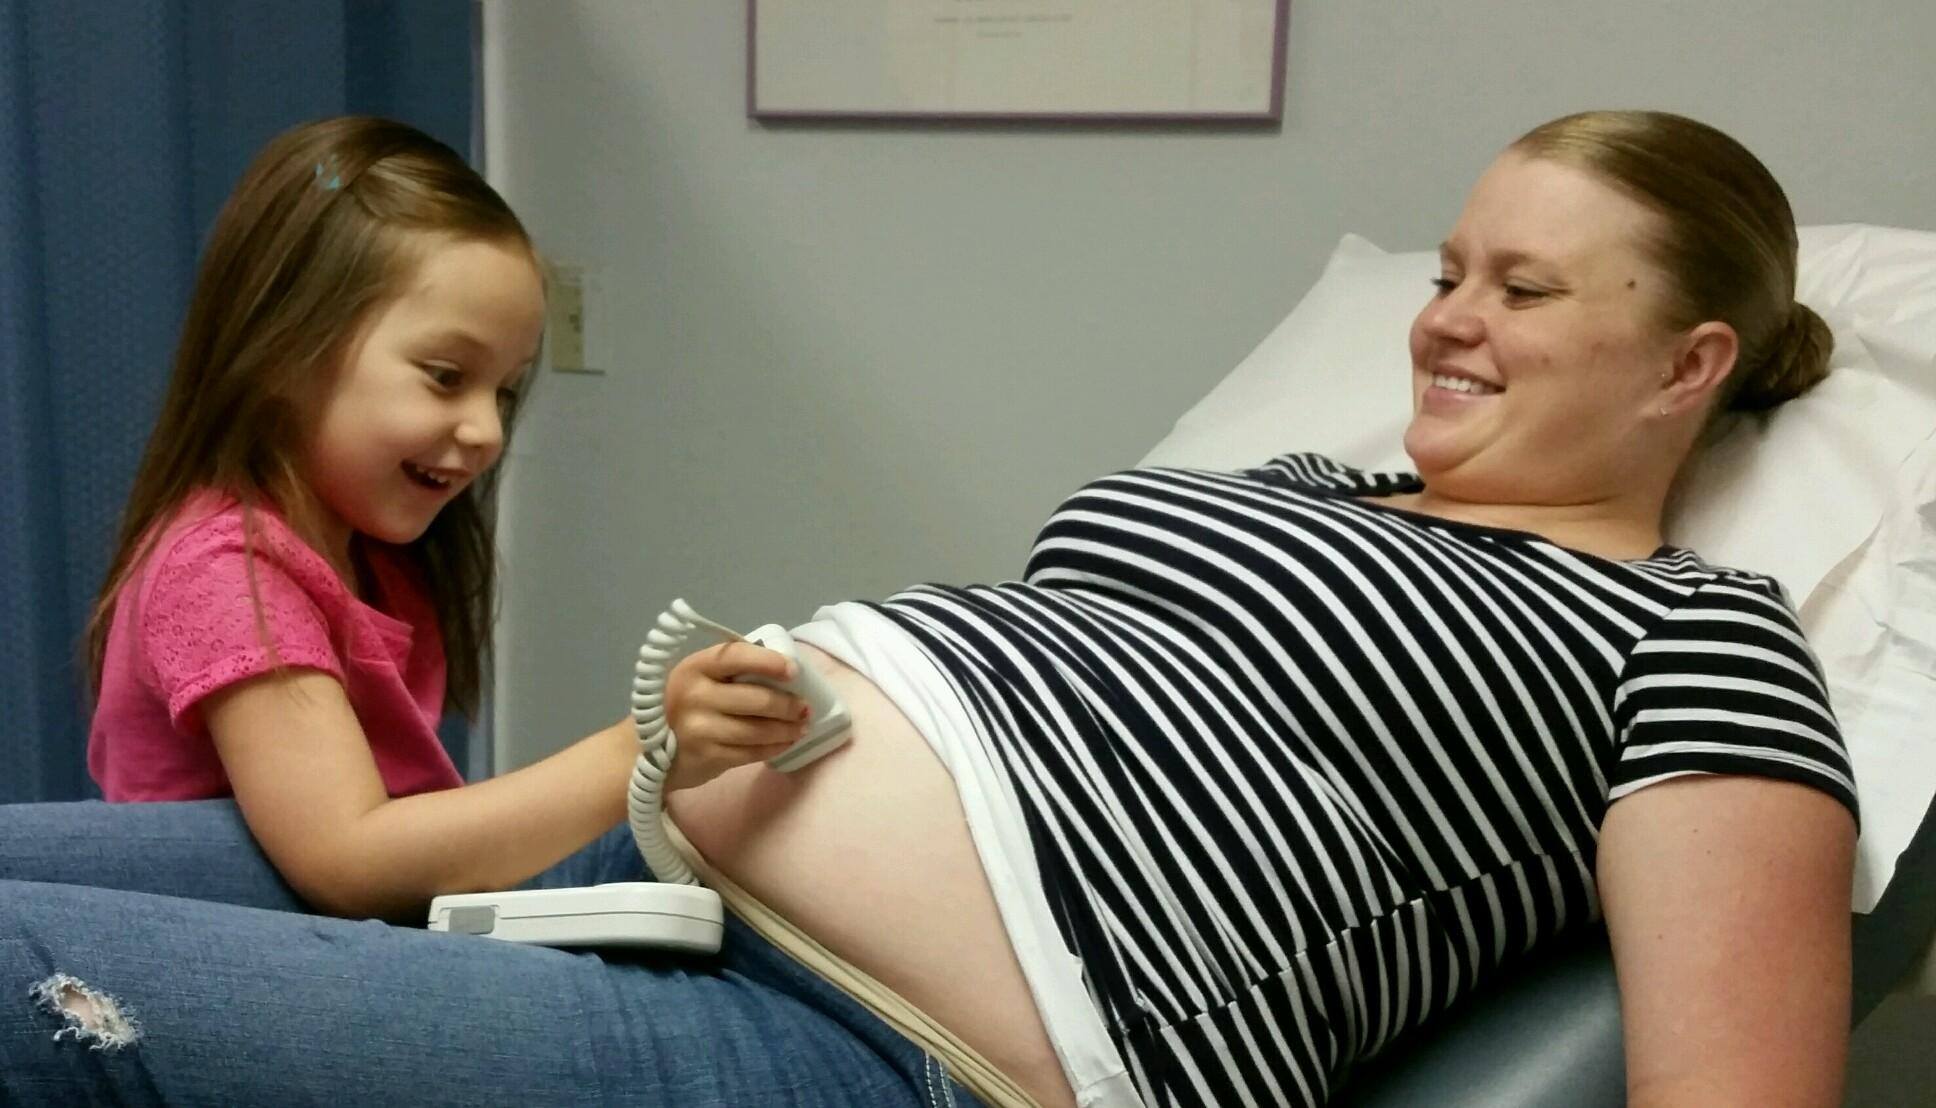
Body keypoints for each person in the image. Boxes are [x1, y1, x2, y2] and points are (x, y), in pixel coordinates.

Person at [0, 109, 1856, 1108]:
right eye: (1449, 272)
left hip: (876, 1042)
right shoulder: (1307, 490)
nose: (1444, 322)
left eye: (1523, 289)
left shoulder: (1702, 635)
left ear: (1689, 361)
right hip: (628, 879)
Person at [75, 115, 808, 922]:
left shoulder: (374, 561)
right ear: (284, 351)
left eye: (502, 390)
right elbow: (347, 858)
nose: (489, 432)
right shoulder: (222, 573)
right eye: (446, 376)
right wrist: (643, 748)